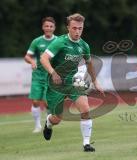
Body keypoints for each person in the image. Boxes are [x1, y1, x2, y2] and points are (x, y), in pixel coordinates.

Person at [40, 13, 104, 152]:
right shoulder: (59, 42)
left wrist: (95, 81)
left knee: (86, 110)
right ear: (68, 27)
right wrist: (53, 73)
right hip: (55, 84)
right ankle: (49, 123)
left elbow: (89, 64)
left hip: (73, 81)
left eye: (80, 28)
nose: (77, 31)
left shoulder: (84, 45)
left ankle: (86, 144)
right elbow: (43, 58)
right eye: (74, 28)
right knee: (57, 119)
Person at [24, 17, 57, 133]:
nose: (48, 28)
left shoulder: (58, 41)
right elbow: (27, 56)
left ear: (54, 28)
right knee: (35, 101)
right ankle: (37, 126)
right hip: (38, 76)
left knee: (48, 103)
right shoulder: (37, 41)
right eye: (46, 26)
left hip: (51, 76)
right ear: (43, 27)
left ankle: (47, 125)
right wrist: (32, 61)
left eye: (51, 26)